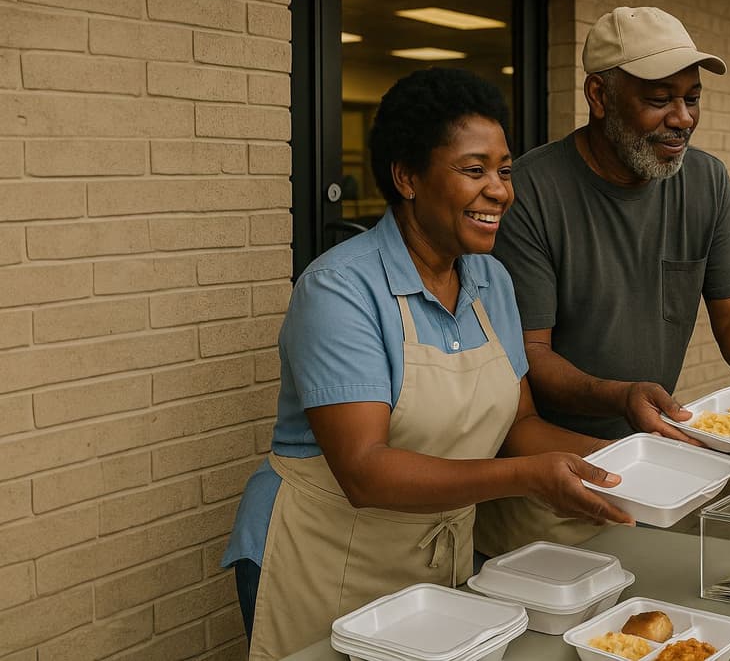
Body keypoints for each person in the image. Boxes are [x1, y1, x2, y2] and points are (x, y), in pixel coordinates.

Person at [221, 69, 633, 660]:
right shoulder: (341, 290)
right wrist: (529, 477)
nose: (500, 190)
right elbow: (365, 471)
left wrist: (624, 465)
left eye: (505, 170)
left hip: (432, 570)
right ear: (407, 177)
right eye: (474, 170)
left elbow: (518, 425)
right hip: (324, 561)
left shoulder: (491, 278)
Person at [474, 6, 730, 557]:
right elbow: (530, 356)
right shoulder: (532, 193)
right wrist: (621, 396)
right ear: (599, 96)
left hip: (663, 466)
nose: (683, 117)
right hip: (552, 473)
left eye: (692, 98)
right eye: (660, 99)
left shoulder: (707, 182)